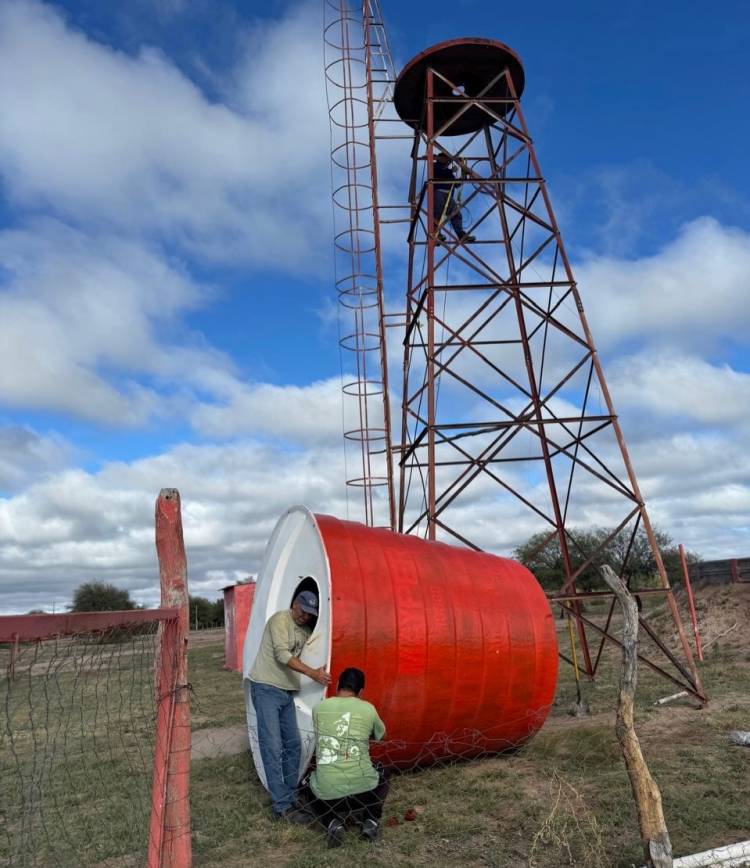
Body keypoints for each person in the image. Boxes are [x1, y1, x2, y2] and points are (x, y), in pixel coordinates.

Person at [249, 588, 331, 822]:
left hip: (286, 692)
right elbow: (282, 655)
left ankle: (291, 794)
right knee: (272, 746)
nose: (306, 616)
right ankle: (282, 806)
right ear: (295, 604)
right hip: (266, 688)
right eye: (303, 610)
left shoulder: (305, 630)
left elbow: (315, 650)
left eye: (310, 613)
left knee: (293, 745)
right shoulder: (279, 620)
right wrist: (313, 673)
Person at [301, 667, 388, 848]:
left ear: (338, 685)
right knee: (383, 771)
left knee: (307, 784)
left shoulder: (318, 708)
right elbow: (382, 736)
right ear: (361, 692)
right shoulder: (368, 709)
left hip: (329, 796)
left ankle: (332, 821)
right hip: (364, 792)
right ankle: (370, 820)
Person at [433, 151, 475, 243]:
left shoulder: (448, 171)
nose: (447, 161)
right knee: (438, 214)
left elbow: (456, 184)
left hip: (448, 195)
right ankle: (435, 234)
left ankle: (461, 234)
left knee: (455, 213)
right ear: (440, 159)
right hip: (438, 192)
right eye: (445, 159)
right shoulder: (434, 166)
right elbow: (438, 172)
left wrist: (463, 176)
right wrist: (450, 171)